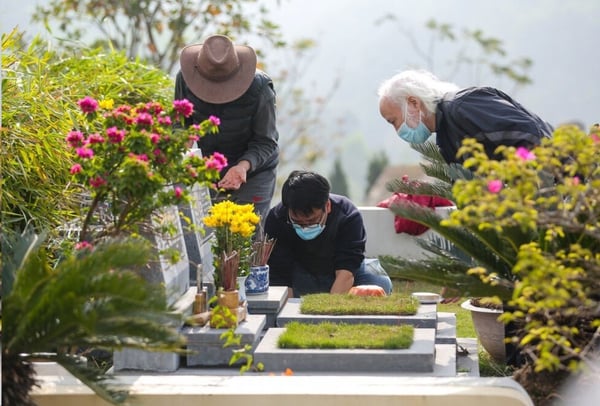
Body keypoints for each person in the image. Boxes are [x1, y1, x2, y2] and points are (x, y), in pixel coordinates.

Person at [175, 34, 279, 221]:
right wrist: (184, 142)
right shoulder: (185, 79)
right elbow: (180, 122)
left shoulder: (261, 88)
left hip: (254, 170)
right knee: (207, 228)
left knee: (246, 232)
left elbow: (265, 141)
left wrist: (243, 166)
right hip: (209, 167)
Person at [377, 69, 553, 165]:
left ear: (414, 103)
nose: (397, 130)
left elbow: (529, 134)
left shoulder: (463, 106)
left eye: (393, 121)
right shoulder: (445, 136)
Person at [264, 170, 393, 298]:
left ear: (328, 206)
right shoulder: (277, 218)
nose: (305, 227)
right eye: (297, 222)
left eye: (312, 221)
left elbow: (347, 271)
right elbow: (280, 277)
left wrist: (330, 310)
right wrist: (288, 314)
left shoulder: (347, 215)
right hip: (301, 273)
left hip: (345, 272)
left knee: (378, 283)